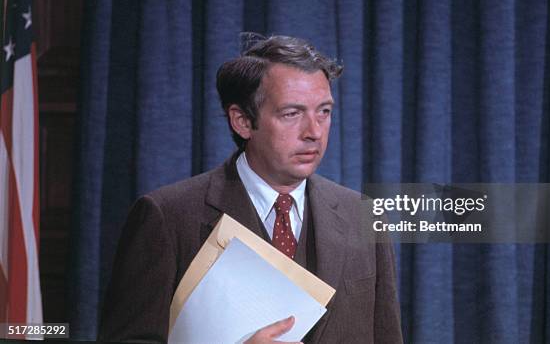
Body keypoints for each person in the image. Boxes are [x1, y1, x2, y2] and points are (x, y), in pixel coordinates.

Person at [99, 34, 403, 343]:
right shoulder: (167, 216)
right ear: (242, 121)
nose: (314, 132)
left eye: (323, 111)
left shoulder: (363, 215)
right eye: (292, 113)